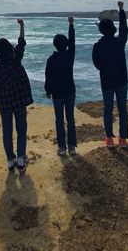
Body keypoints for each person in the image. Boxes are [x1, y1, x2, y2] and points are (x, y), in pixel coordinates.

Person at [0, 18, 33, 172]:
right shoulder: (16, 59)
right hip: (20, 101)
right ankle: (21, 159)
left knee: (7, 132)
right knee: (21, 130)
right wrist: (22, 26)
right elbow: (21, 42)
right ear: (9, 48)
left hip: (5, 103)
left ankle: (10, 160)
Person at [92, 1, 128, 147]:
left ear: (101, 30)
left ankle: (109, 138)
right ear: (113, 29)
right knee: (122, 109)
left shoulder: (98, 46)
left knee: (108, 109)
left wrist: (105, 69)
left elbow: (97, 64)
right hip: (121, 80)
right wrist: (121, 10)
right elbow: (124, 28)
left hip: (107, 81)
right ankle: (123, 139)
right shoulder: (120, 42)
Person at [44, 16, 77, 156]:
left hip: (57, 94)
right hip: (70, 91)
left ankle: (62, 147)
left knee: (59, 120)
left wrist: (48, 91)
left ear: (54, 45)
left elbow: (48, 77)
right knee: (70, 119)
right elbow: (73, 43)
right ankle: (72, 147)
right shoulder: (70, 55)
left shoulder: (51, 59)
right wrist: (71, 25)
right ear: (66, 44)